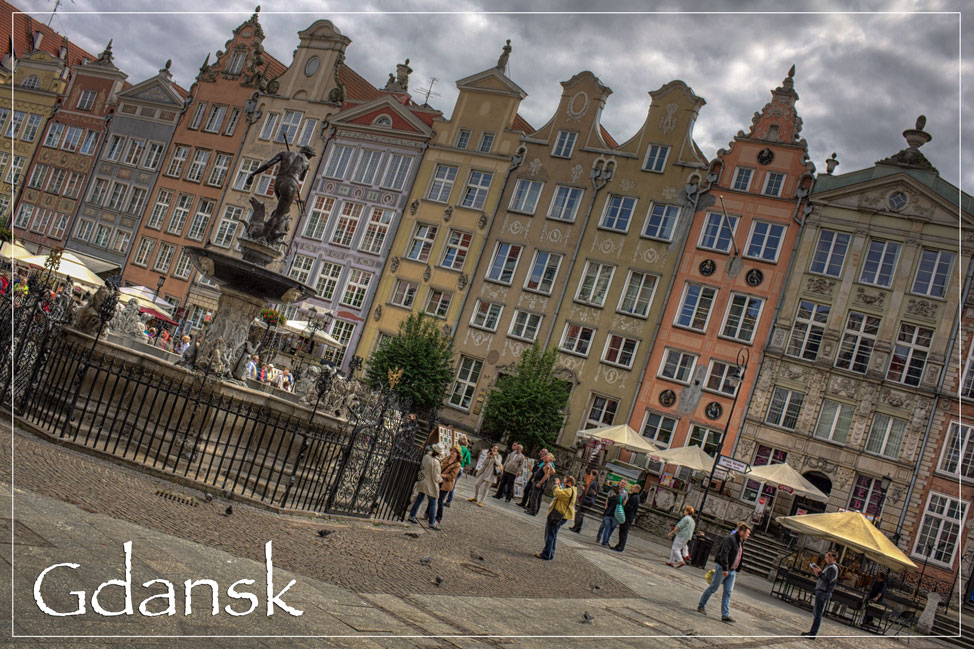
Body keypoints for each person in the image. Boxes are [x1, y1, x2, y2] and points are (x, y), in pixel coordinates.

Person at [697, 522, 751, 623]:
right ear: (742, 531)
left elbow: (738, 555)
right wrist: (725, 568)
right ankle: (701, 605)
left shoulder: (741, 541)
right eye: (747, 533)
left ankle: (725, 615)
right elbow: (724, 554)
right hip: (723, 568)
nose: (748, 535)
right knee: (713, 587)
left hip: (732, 571)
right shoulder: (730, 539)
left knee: (728, 592)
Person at [536, 475, 576, 561]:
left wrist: (556, 484)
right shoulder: (570, 490)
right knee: (552, 534)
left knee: (550, 534)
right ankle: (549, 553)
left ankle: (547, 554)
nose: (563, 484)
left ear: (569, 483)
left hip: (559, 515)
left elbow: (557, 493)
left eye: (564, 483)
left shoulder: (569, 491)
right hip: (559, 513)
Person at [802, 550, 839, 637]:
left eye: (827, 557)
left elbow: (829, 580)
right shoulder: (829, 566)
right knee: (816, 613)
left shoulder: (833, 568)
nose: (826, 559)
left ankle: (812, 633)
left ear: (832, 558)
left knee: (818, 614)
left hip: (823, 592)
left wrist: (820, 573)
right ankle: (812, 632)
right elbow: (825, 577)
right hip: (821, 590)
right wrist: (819, 573)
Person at [408, 447, 443, 528]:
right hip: (430, 484)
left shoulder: (426, 456)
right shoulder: (436, 462)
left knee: (419, 498)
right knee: (433, 502)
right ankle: (432, 522)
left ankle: (412, 515)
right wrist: (441, 479)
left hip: (423, 480)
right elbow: (436, 477)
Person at [435, 447, 462, 526]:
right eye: (452, 450)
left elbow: (452, 476)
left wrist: (443, 475)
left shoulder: (457, 464)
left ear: (457, 454)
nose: (452, 452)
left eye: (455, 451)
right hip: (439, 480)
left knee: (440, 500)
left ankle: (438, 518)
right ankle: (428, 513)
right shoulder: (447, 458)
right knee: (433, 496)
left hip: (446, 483)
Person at [612, 484, 643, 552]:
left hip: (628, 517)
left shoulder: (634, 497)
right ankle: (619, 545)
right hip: (628, 517)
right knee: (622, 531)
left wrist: (624, 507)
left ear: (636, 489)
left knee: (623, 532)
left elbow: (629, 507)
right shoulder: (635, 496)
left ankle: (620, 547)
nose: (631, 488)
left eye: (633, 487)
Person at [526, 451, 555, 516]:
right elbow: (552, 471)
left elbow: (546, 475)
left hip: (539, 482)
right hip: (538, 481)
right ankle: (534, 510)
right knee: (536, 497)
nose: (544, 458)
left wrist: (540, 482)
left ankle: (532, 511)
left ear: (549, 459)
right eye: (544, 457)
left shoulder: (547, 465)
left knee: (534, 497)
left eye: (546, 457)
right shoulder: (547, 465)